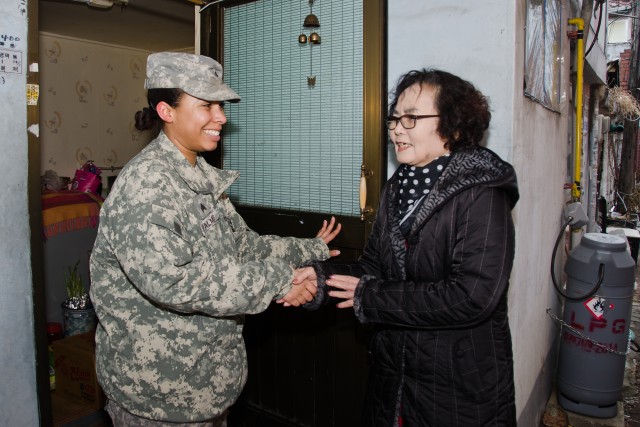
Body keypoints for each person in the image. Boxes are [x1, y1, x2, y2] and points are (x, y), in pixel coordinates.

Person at [89, 52, 341, 426]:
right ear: (166, 111)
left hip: (206, 384)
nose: (221, 117)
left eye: (220, 105)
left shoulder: (200, 176)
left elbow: (243, 245)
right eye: (206, 105)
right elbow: (175, 281)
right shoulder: (146, 186)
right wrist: (280, 281)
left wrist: (309, 249)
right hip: (158, 397)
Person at [293, 69, 519, 426]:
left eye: (411, 118)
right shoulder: (398, 188)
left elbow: (473, 295)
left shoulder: (482, 193)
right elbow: (374, 268)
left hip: (456, 386)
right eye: (395, 118)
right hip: (395, 376)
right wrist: (319, 279)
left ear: (454, 127)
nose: (397, 128)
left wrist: (373, 297)